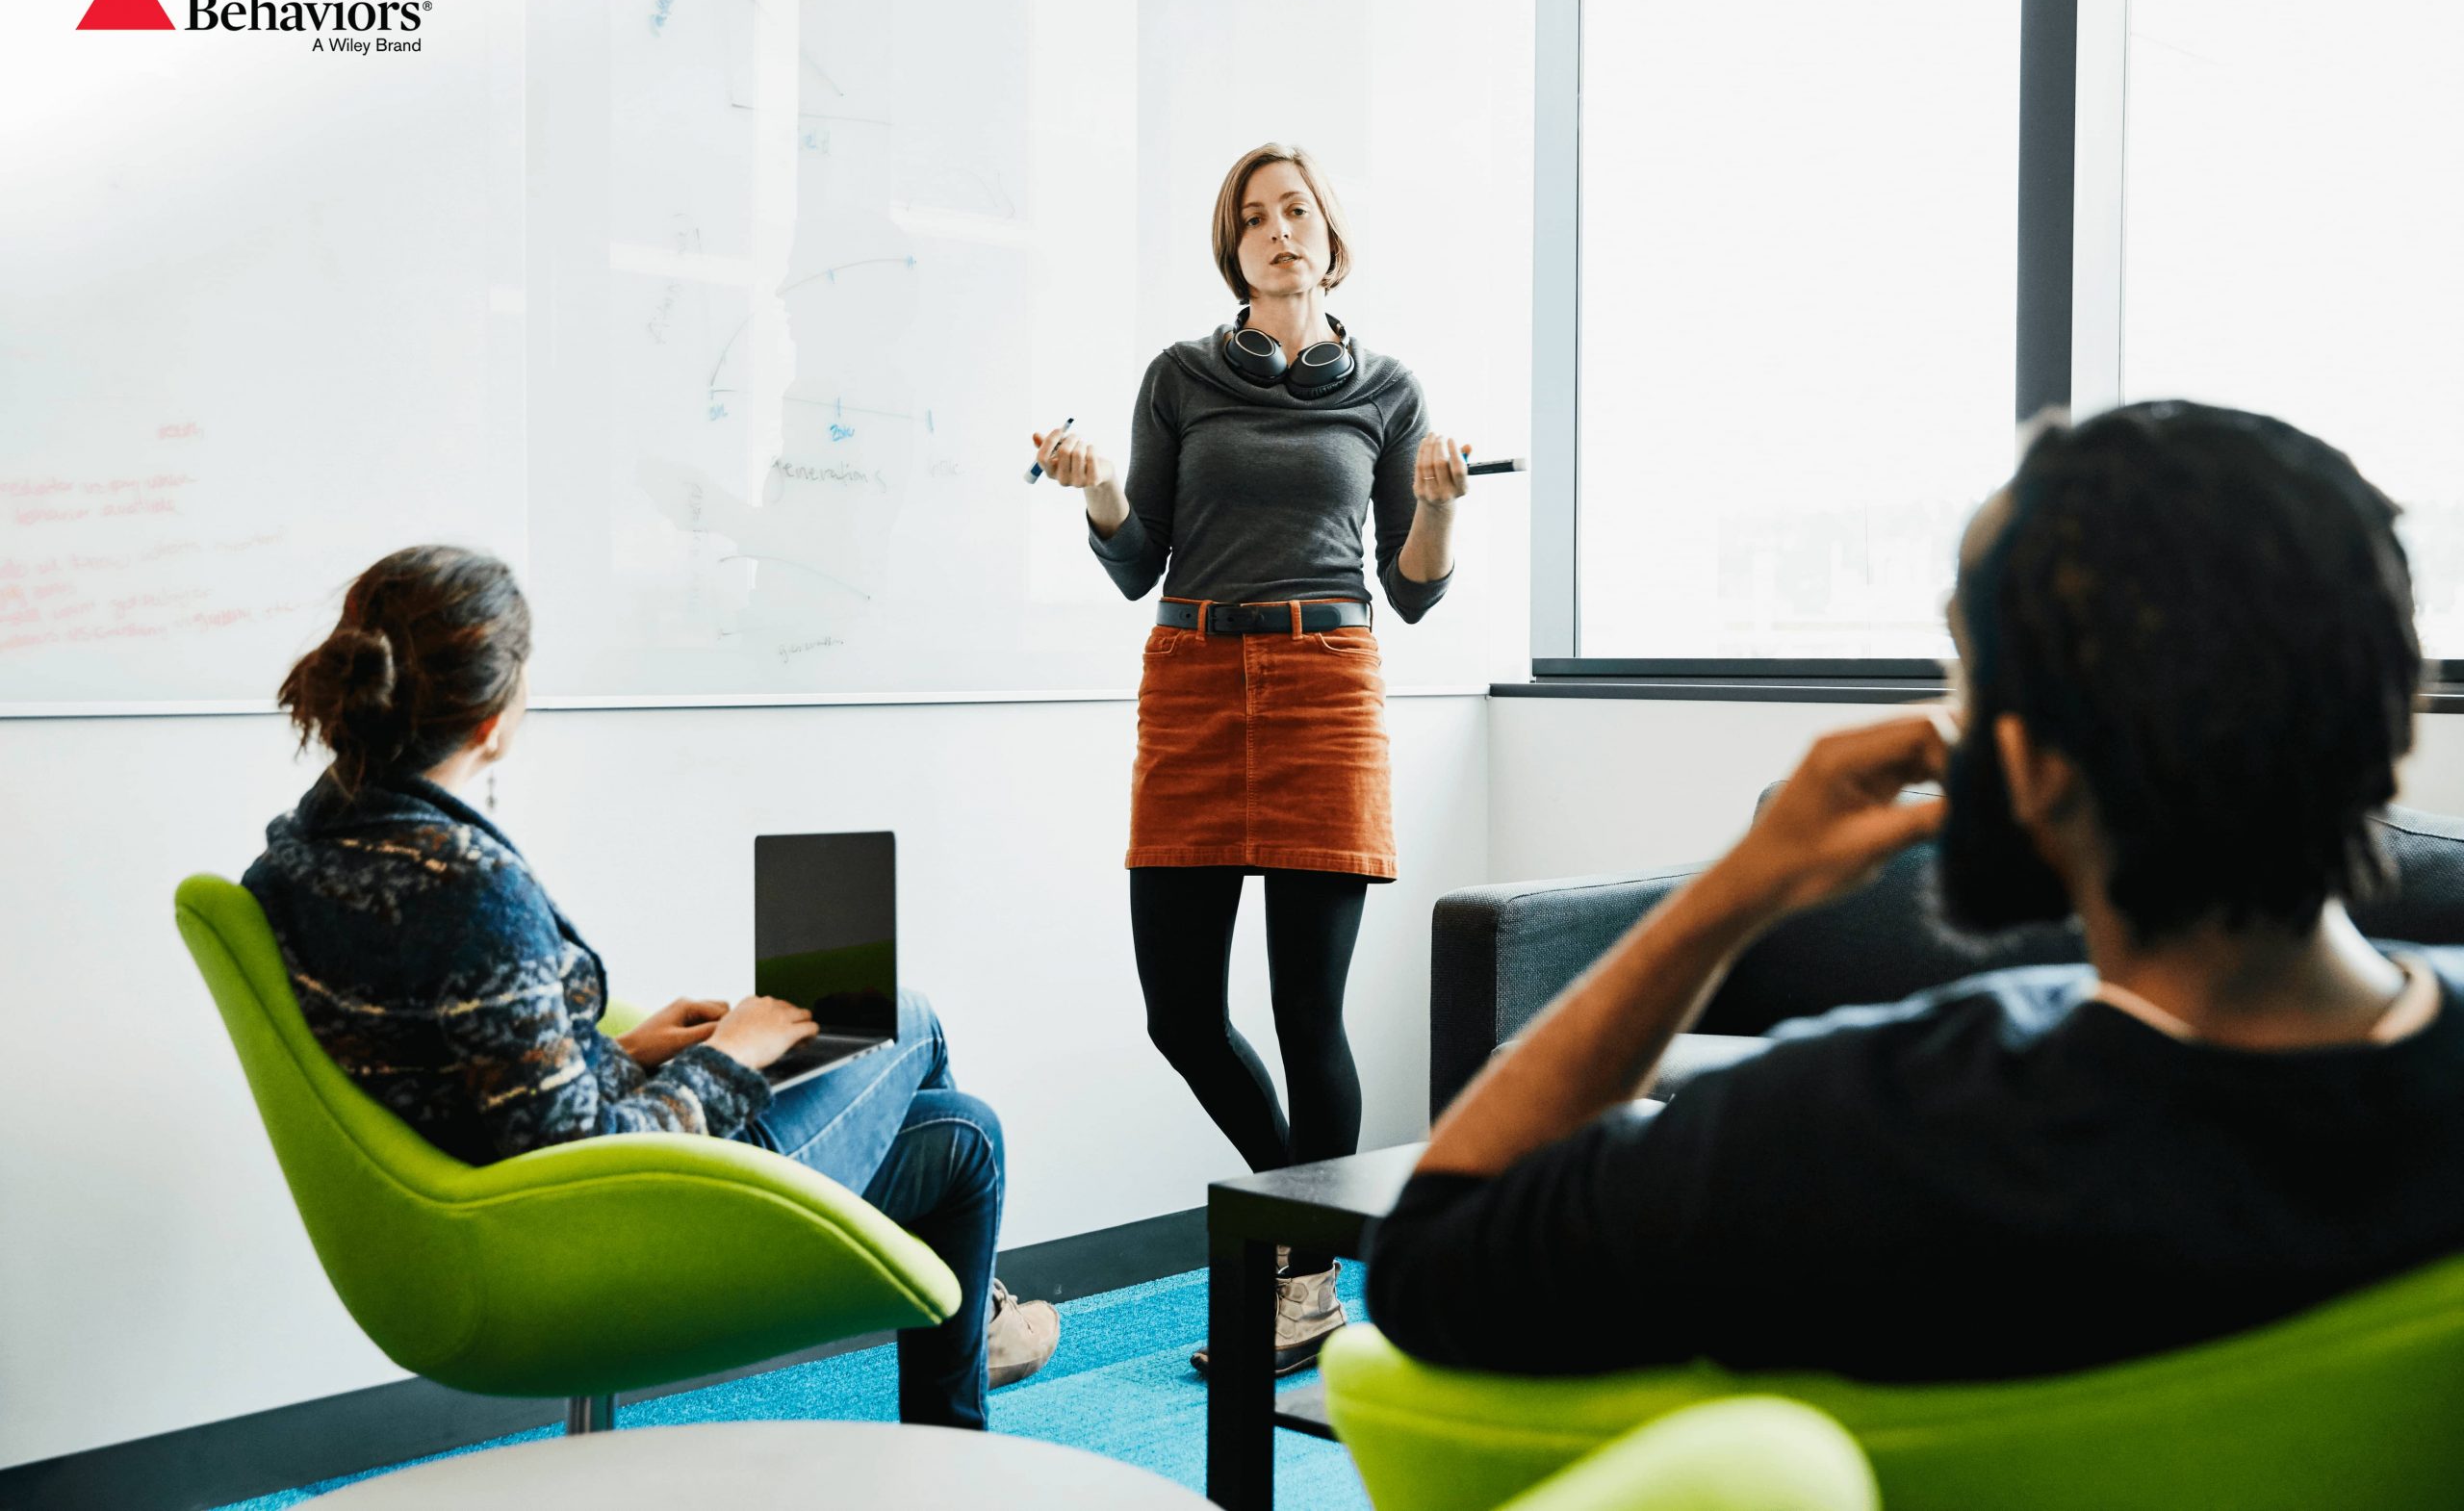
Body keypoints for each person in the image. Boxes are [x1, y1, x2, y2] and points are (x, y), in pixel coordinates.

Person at [1370, 401, 2464, 1382]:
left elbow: (1432, 1256)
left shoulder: (1863, 1135)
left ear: (2034, 767)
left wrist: (1734, 890)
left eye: (1963, 673)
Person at [242, 546, 1059, 1427]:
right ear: (492, 720)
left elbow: (463, 1070)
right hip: (615, 1225)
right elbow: (580, 1153)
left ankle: (964, 1403)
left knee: (968, 1135)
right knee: (907, 1015)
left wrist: (626, 1047)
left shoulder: (297, 858)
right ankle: (974, 1358)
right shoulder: (468, 884)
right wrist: (731, 1057)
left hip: (498, 1207)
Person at [1029, 141, 1470, 1372]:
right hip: (1193, 682)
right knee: (1180, 1013)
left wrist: (1436, 504)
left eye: (1297, 211)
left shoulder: (1386, 388)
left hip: (1327, 686)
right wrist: (1100, 490)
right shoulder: (1179, 378)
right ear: (1232, 250)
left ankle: (1304, 1283)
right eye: (1253, 218)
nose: (1278, 231)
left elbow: (1415, 591)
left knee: (1303, 1012)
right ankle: (1309, 1233)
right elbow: (1136, 559)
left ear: (1331, 235)